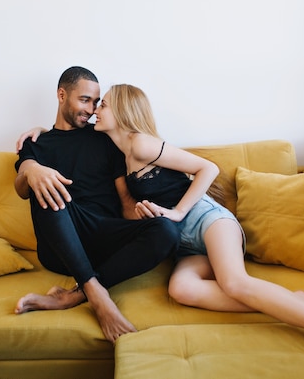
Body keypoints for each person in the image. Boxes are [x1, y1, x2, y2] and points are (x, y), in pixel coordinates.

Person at [90, 83, 304, 379]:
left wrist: (176, 212)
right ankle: (299, 301)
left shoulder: (142, 144)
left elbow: (208, 168)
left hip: (209, 221)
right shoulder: (122, 156)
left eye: (102, 104)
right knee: (183, 291)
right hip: (186, 244)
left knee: (235, 283)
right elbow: (123, 205)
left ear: (122, 109)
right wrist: (145, 214)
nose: (95, 110)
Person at [12, 67, 180, 344]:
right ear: (61, 95)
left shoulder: (103, 136)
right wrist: (31, 170)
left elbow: (125, 199)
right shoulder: (37, 144)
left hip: (105, 237)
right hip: (60, 245)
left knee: (166, 232)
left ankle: (74, 295)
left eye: (95, 102)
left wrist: (145, 227)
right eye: (84, 100)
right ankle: (97, 295)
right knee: (46, 187)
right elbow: (21, 188)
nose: (90, 109)